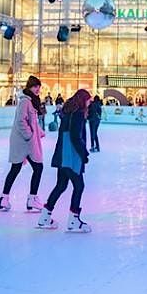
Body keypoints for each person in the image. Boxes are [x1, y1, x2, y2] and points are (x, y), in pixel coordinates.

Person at [37, 89, 92, 233]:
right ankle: (74, 220)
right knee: (79, 186)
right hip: (71, 157)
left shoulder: (68, 112)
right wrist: (84, 153)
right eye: (88, 99)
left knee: (61, 185)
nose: (89, 102)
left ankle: (45, 217)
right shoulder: (78, 113)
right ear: (83, 100)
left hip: (62, 155)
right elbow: (75, 136)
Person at [0, 76, 47, 213]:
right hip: (24, 142)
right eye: (35, 86)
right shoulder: (25, 102)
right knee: (38, 167)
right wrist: (30, 136)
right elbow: (21, 121)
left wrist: (39, 132)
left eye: (39, 87)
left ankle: (4, 198)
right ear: (30, 87)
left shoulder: (31, 101)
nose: (38, 89)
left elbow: (31, 122)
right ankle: (31, 198)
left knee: (16, 169)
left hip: (25, 142)